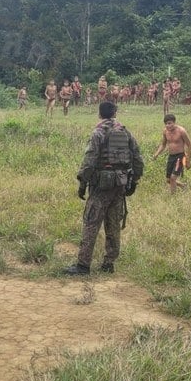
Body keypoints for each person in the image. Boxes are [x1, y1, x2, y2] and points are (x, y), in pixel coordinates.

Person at [64, 102, 144, 275]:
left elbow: (89, 160)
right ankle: (109, 263)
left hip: (101, 186)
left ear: (99, 114)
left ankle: (83, 265)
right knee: (113, 224)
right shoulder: (125, 132)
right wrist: (134, 181)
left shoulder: (98, 132)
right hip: (120, 184)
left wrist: (82, 182)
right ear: (115, 113)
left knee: (91, 223)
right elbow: (138, 159)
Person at [152, 114, 191, 194]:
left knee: (173, 178)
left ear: (174, 122)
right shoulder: (165, 131)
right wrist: (156, 154)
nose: (168, 125)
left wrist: (188, 160)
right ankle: (183, 185)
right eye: (166, 124)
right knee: (168, 180)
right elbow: (163, 144)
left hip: (180, 157)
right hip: (171, 157)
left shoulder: (181, 131)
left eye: (169, 123)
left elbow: (189, 145)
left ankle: (173, 197)